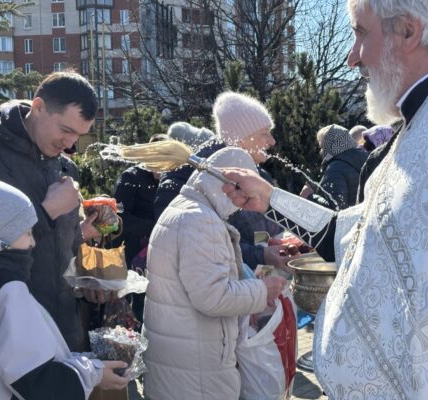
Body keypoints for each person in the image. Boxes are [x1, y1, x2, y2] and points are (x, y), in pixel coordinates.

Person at [221, 1, 428, 398]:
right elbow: (354, 235)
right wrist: (271, 199)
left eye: (361, 33)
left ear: (407, 31)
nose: (353, 58)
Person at [142, 147, 287, 400]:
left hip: (179, 360)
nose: (241, 203)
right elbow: (212, 296)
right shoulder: (200, 220)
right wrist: (263, 290)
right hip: (197, 371)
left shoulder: (182, 209)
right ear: (227, 183)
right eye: (243, 192)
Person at [0, 71, 103, 351]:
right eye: (66, 130)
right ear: (39, 106)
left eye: (78, 135)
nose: (70, 144)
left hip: (64, 329)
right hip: (12, 337)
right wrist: (47, 212)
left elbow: (62, 246)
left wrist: (86, 279)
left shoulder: (65, 167)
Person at [0, 180, 129, 400]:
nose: (33, 243)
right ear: (3, 237)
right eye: (28, 233)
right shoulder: (9, 289)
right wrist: (94, 373)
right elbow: (35, 379)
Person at [154, 92, 296, 272]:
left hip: (253, 280)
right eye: (264, 133)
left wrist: (274, 241)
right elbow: (196, 241)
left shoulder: (255, 173)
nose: (272, 141)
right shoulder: (194, 178)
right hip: (214, 284)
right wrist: (259, 254)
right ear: (240, 137)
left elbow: (264, 224)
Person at [112, 133, 168, 324]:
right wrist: (155, 228)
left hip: (161, 250)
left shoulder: (170, 179)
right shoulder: (131, 177)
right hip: (134, 251)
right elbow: (120, 216)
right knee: (139, 303)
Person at [300, 124, 368, 209]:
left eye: (322, 146)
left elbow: (335, 208)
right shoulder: (366, 158)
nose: (321, 151)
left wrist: (310, 197)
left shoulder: (334, 169)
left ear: (329, 145)